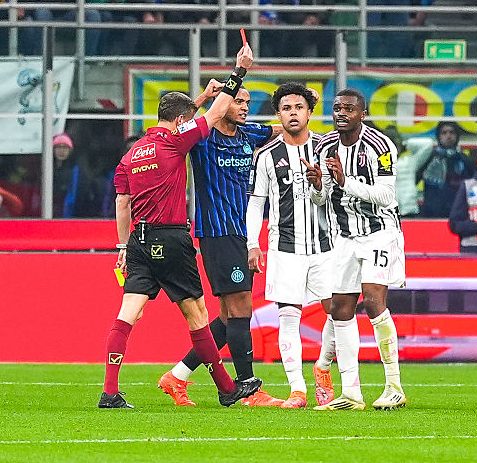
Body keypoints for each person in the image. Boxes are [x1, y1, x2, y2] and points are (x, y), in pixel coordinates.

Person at [98, 44, 260, 409]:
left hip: (137, 240)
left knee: (128, 314)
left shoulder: (132, 154)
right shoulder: (174, 142)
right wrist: (238, 72)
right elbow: (214, 115)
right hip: (170, 237)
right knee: (197, 315)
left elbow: (122, 203)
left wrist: (121, 248)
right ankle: (226, 388)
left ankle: (110, 392)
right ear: (179, 121)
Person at [157, 82, 285, 407]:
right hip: (218, 232)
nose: (244, 107)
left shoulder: (248, 135)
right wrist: (204, 98)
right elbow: (181, 126)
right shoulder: (202, 138)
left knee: (230, 318)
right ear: (222, 103)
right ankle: (249, 390)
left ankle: (177, 376)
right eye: (237, 101)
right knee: (241, 308)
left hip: (242, 233)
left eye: (247, 102)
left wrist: (307, 119)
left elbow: (282, 129)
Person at [309, 89, 407, 411]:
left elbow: (387, 196)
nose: (342, 113)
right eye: (337, 108)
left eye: (349, 109)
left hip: (379, 232)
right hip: (345, 236)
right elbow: (322, 199)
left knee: (374, 300)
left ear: (362, 114)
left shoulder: (380, 146)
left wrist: (344, 181)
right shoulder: (324, 146)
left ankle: (394, 386)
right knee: (340, 307)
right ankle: (351, 393)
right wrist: (318, 185)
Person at [246, 82, 338, 409]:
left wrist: (320, 186)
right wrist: (252, 243)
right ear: (278, 115)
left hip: (327, 245)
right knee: (288, 316)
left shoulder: (327, 150)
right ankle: (297, 389)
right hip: (284, 247)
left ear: (310, 112)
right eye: (286, 108)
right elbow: (256, 202)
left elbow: (335, 195)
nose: (293, 113)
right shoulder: (266, 156)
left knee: (338, 312)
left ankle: (322, 366)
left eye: (299, 107)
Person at [420, 121, 475, 217]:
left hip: (458, 210)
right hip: (432, 211)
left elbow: (473, 184)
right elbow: (414, 179)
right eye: (444, 133)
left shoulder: (464, 159)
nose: (448, 136)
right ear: (438, 136)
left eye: (452, 132)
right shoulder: (429, 158)